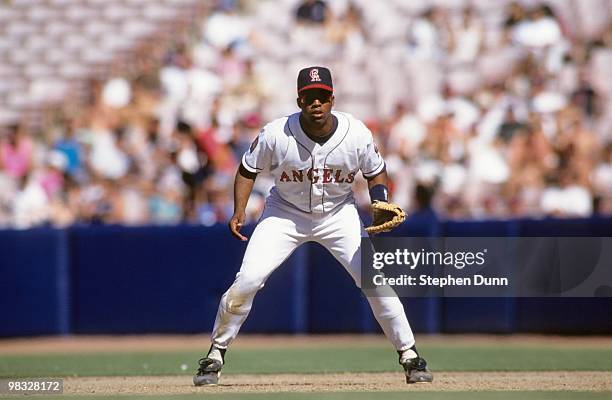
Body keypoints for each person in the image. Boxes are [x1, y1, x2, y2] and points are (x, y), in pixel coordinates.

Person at [193, 66, 433, 386]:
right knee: (248, 279)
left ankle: (410, 355)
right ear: (299, 101)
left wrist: (380, 201)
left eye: (322, 97)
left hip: (338, 214)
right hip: (284, 213)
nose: (316, 104)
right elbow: (248, 169)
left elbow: (376, 170)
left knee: (375, 282)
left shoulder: (356, 133)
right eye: (309, 98)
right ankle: (216, 352)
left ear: (332, 99)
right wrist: (239, 209)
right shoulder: (276, 133)